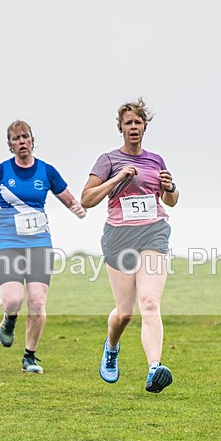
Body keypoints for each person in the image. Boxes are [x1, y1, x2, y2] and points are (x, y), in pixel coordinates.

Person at [0, 120, 85, 374]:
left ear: (32, 140)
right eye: (16, 139)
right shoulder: (0, 171)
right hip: (8, 242)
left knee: (37, 302)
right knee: (12, 300)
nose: (21, 142)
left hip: (39, 242)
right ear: (10, 145)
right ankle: (9, 319)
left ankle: (29, 357)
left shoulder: (46, 171)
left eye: (25, 137)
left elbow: (68, 198)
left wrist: (78, 208)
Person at [81, 98, 179, 393]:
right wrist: (118, 178)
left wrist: (171, 187)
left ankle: (154, 369)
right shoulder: (108, 160)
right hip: (119, 238)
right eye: (128, 123)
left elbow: (170, 200)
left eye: (138, 122)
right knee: (125, 313)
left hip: (153, 234)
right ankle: (111, 347)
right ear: (120, 127)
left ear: (145, 127)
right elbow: (86, 199)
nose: (133, 127)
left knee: (150, 302)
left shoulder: (156, 160)